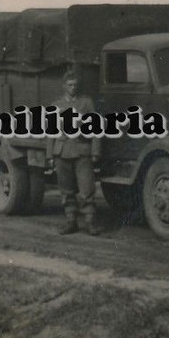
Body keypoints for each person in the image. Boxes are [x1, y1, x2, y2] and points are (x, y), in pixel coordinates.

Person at [48, 69, 101, 236]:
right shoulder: (56, 106)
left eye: (75, 85)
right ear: (64, 86)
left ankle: (90, 222)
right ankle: (71, 221)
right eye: (70, 85)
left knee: (87, 187)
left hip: (81, 150)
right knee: (66, 189)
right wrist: (50, 155)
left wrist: (95, 151)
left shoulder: (86, 103)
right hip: (62, 151)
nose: (73, 88)